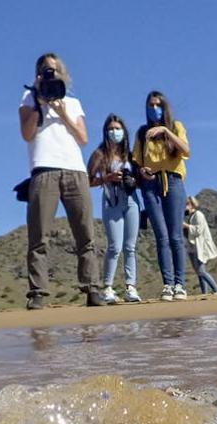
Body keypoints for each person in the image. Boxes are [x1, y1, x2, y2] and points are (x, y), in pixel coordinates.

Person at [18, 52, 103, 310]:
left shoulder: (73, 102)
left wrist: (62, 112)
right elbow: (26, 133)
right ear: (37, 73)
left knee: (85, 233)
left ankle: (92, 288)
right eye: (45, 69)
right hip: (44, 169)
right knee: (39, 235)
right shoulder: (28, 99)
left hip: (75, 170)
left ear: (62, 72)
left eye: (54, 69)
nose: (50, 73)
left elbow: (83, 138)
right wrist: (40, 102)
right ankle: (39, 292)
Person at [134, 91, 190, 301]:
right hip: (150, 185)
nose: (154, 108)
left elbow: (186, 151)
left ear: (164, 107)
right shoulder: (142, 133)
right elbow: (138, 162)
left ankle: (180, 284)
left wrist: (167, 131)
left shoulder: (176, 127)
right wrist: (142, 172)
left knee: (175, 235)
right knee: (161, 237)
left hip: (173, 182)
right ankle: (167, 284)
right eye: (150, 105)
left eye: (158, 105)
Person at [87, 114, 141, 304]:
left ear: (124, 131)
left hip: (131, 200)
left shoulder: (130, 154)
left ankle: (131, 286)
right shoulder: (100, 154)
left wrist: (134, 179)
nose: (114, 132)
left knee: (130, 246)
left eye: (117, 128)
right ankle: (108, 287)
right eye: (111, 129)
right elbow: (88, 180)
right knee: (114, 246)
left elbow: (139, 176)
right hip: (111, 201)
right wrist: (107, 178)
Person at [183, 197, 217, 295]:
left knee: (201, 270)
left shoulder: (198, 215)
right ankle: (205, 292)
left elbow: (198, 230)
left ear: (191, 204)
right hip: (192, 247)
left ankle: (216, 290)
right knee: (198, 271)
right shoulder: (190, 217)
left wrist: (186, 226)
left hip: (199, 246)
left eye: (186, 205)